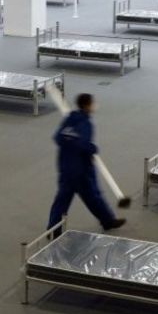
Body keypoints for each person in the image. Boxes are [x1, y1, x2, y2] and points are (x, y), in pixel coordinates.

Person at [47, 93, 126, 233]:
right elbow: (84, 145)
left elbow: (57, 138)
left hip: (65, 167)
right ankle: (107, 220)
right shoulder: (86, 123)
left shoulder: (69, 119)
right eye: (93, 103)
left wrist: (71, 142)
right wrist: (93, 148)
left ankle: (53, 229)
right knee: (93, 196)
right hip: (81, 170)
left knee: (62, 199)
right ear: (87, 105)